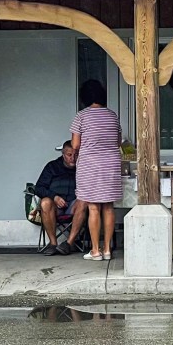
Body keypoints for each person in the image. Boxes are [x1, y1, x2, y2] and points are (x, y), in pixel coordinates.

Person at [70, 79, 122, 262]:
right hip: (111, 164)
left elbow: (75, 144)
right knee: (108, 206)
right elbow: (117, 142)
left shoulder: (81, 116)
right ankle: (107, 249)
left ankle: (95, 250)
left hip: (90, 165)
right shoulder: (112, 115)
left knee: (93, 207)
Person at [33, 140, 87, 255]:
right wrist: (54, 197)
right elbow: (38, 188)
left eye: (76, 155)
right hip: (55, 206)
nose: (73, 158)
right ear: (63, 154)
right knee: (45, 202)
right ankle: (53, 244)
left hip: (74, 205)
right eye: (69, 155)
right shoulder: (52, 167)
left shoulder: (83, 168)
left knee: (83, 201)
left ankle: (69, 243)